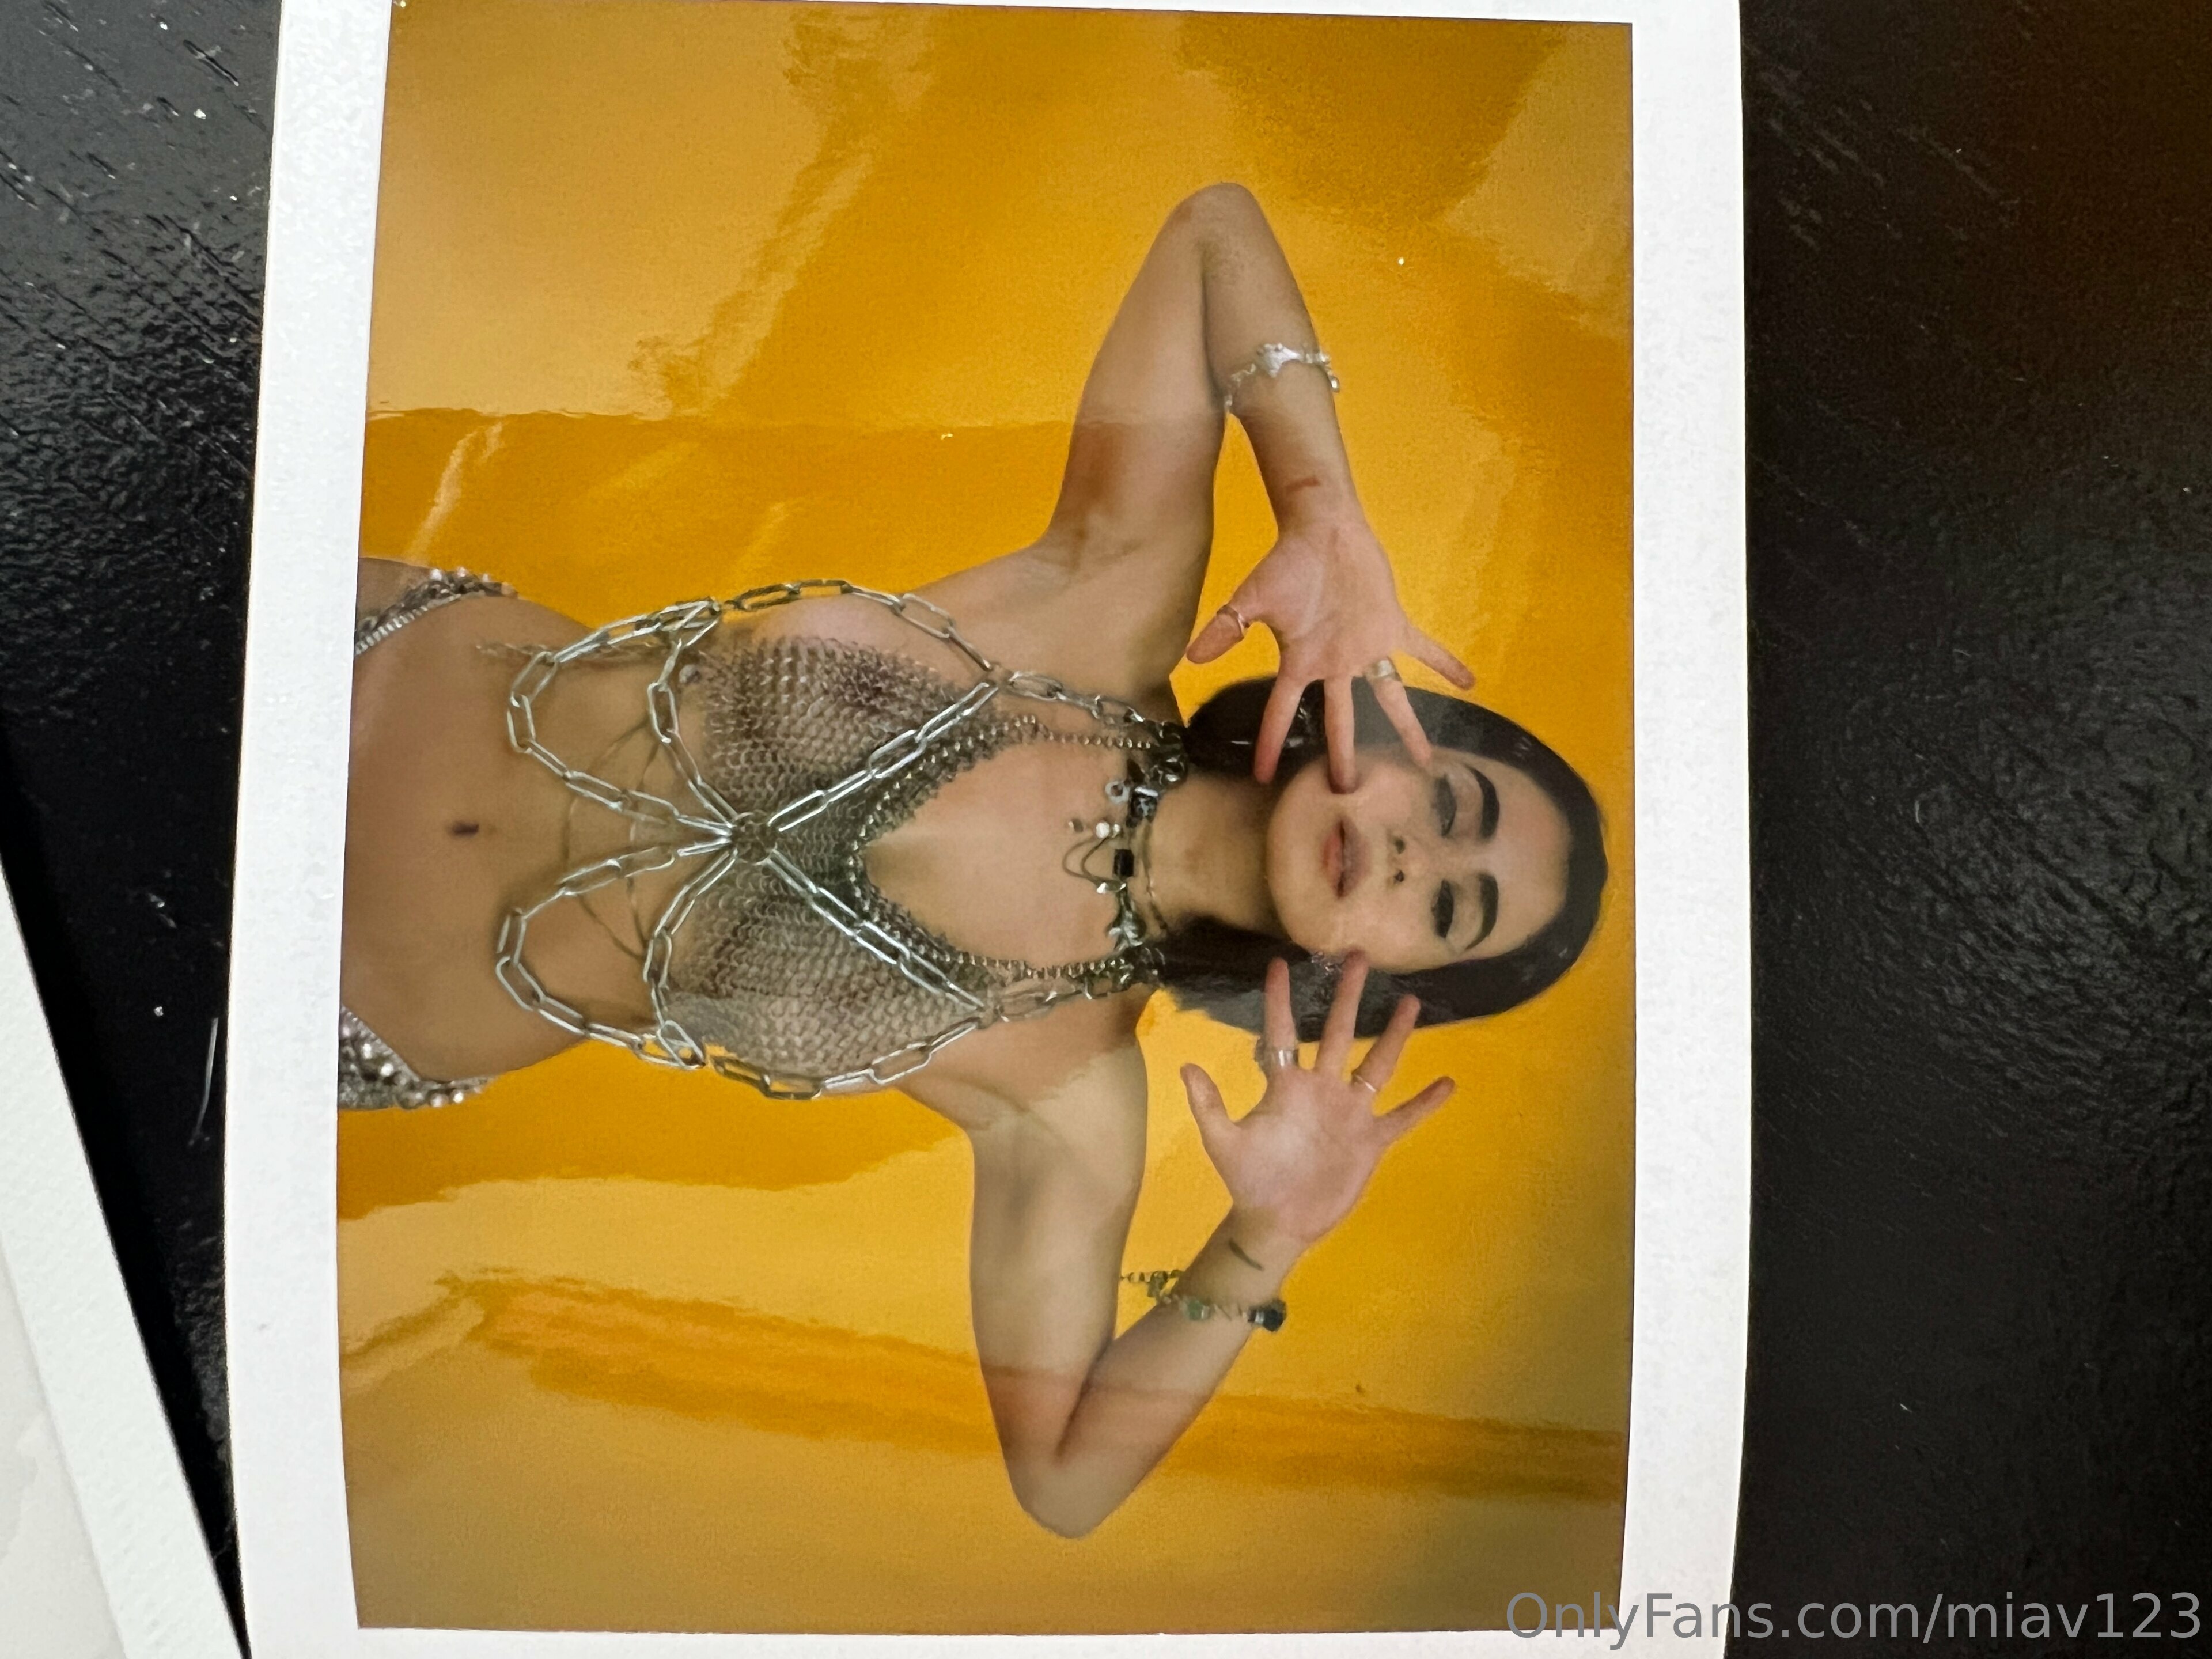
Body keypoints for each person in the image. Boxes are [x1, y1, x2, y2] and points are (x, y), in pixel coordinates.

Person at [342, 183, 1608, 1536]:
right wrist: (1326, 515)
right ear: (1404, 731)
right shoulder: (1113, 598)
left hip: (348, 999)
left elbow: (1066, 1480)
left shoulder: (1065, 1093)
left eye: (1451, 909)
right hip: (353, 662)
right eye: (1453, 805)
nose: (1414, 856)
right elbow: (1213, 236)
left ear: (1390, 976)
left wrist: (1266, 1240)